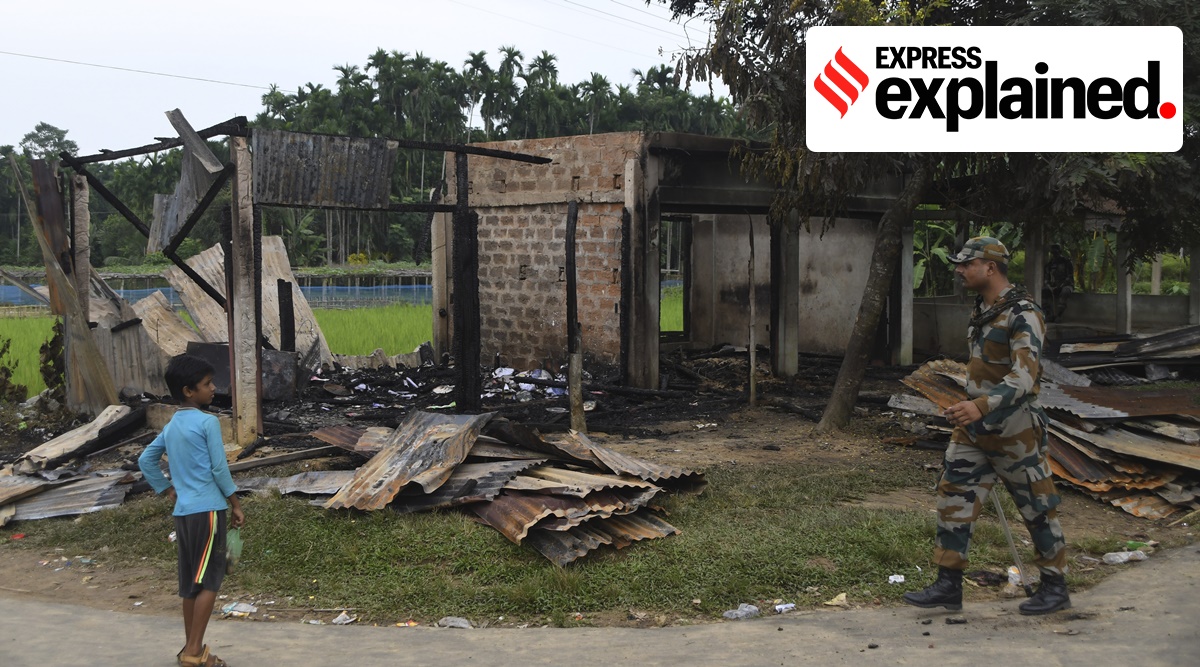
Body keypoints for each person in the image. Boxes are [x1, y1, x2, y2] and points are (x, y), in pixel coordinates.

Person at [903, 236, 1070, 616]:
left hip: (1014, 431)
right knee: (954, 497)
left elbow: (1024, 378)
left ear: (990, 267)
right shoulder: (984, 309)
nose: (959, 270)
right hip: (974, 429)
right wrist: (968, 407)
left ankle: (1055, 586)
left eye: (966, 264)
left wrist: (980, 405)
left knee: (1037, 506)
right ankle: (948, 585)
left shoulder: (1023, 313)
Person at [139, 354, 245, 667]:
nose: (213, 388)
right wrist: (235, 503)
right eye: (207, 384)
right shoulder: (207, 422)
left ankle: (192, 648)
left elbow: (146, 460)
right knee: (210, 581)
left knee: (190, 585)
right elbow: (218, 467)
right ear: (189, 390)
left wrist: (167, 488)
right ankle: (194, 653)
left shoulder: (172, 425)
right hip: (209, 511)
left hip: (184, 513)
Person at [1042, 244, 1074, 323]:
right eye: (1053, 253)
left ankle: (1059, 315)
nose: (1054, 255)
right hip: (1053, 286)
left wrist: (1060, 286)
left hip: (1066, 285)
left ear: (1060, 252)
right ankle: (1049, 314)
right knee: (1043, 292)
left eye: (1056, 252)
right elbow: (1046, 279)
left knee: (1065, 292)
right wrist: (1049, 286)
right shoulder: (1049, 265)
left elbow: (1069, 277)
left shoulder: (1067, 262)